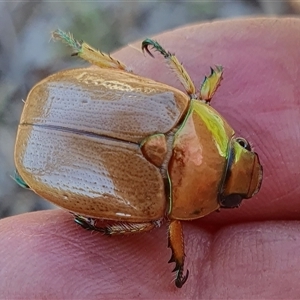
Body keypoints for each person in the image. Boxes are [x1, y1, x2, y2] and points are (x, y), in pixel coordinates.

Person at [1, 17, 300, 298]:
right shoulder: (163, 208)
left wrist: (172, 59)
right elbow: (153, 225)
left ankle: (80, 49)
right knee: (148, 219)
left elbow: (201, 90)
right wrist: (107, 228)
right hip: (50, 143)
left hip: (57, 109)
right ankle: (79, 50)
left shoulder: (182, 105)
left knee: (122, 72)